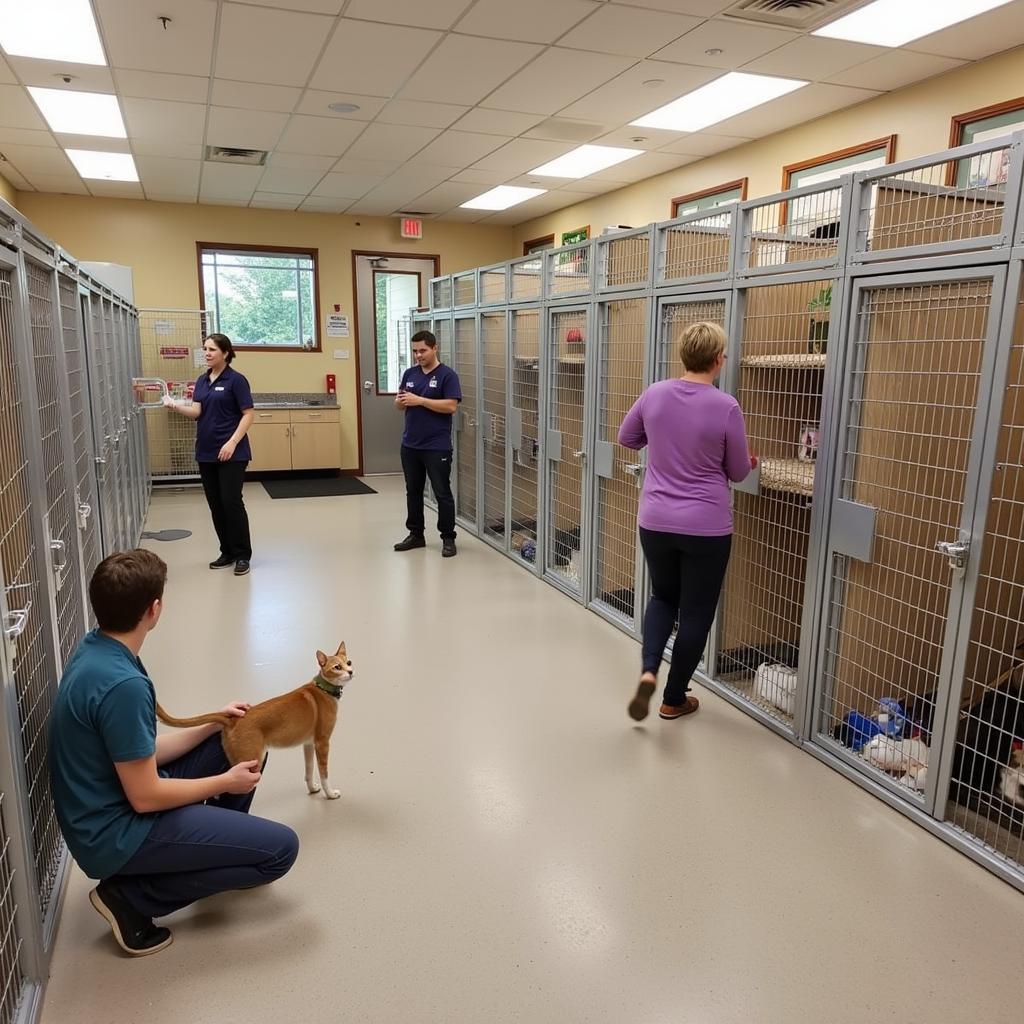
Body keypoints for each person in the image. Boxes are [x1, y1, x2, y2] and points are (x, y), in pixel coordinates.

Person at [48, 550, 299, 956]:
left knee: (244, 743)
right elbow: (145, 796)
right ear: (154, 609)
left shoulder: (99, 649)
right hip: (115, 834)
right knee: (281, 851)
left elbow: (141, 752)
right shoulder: (122, 685)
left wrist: (215, 722)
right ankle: (132, 900)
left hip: (108, 807)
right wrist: (224, 782)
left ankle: (211, 848)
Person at [618, 322, 756, 723]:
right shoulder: (725, 405)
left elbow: (627, 438)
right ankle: (673, 697)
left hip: (656, 519)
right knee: (696, 612)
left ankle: (648, 671)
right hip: (706, 525)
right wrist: (749, 463)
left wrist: (661, 443)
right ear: (717, 360)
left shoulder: (655, 393)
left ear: (683, 356)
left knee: (663, 597)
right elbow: (736, 472)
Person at [164, 333, 254, 576]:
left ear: (225, 353)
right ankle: (227, 551)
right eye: (205, 349)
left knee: (231, 501)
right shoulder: (202, 381)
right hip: (206, 452)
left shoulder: (236, 380)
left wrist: (232, 443)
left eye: (212, 349)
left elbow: (248, 414)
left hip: (232, 453)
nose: (206, 353)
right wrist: (174, 404)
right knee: (215, 504)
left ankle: (242, 554)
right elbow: (196, 412)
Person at [393, 329, 462, 558]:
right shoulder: (410, 374)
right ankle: (416, 535)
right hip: (410, 444)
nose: (418, 355)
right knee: (412, 491)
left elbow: (451, 406)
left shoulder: (447, 375)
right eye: (415, 351)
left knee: (442, 492)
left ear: (434, 348)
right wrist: (401, 402)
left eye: (422, 350)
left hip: (436, 445)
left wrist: (420, 400)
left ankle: (448, 538)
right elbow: (401, 404)